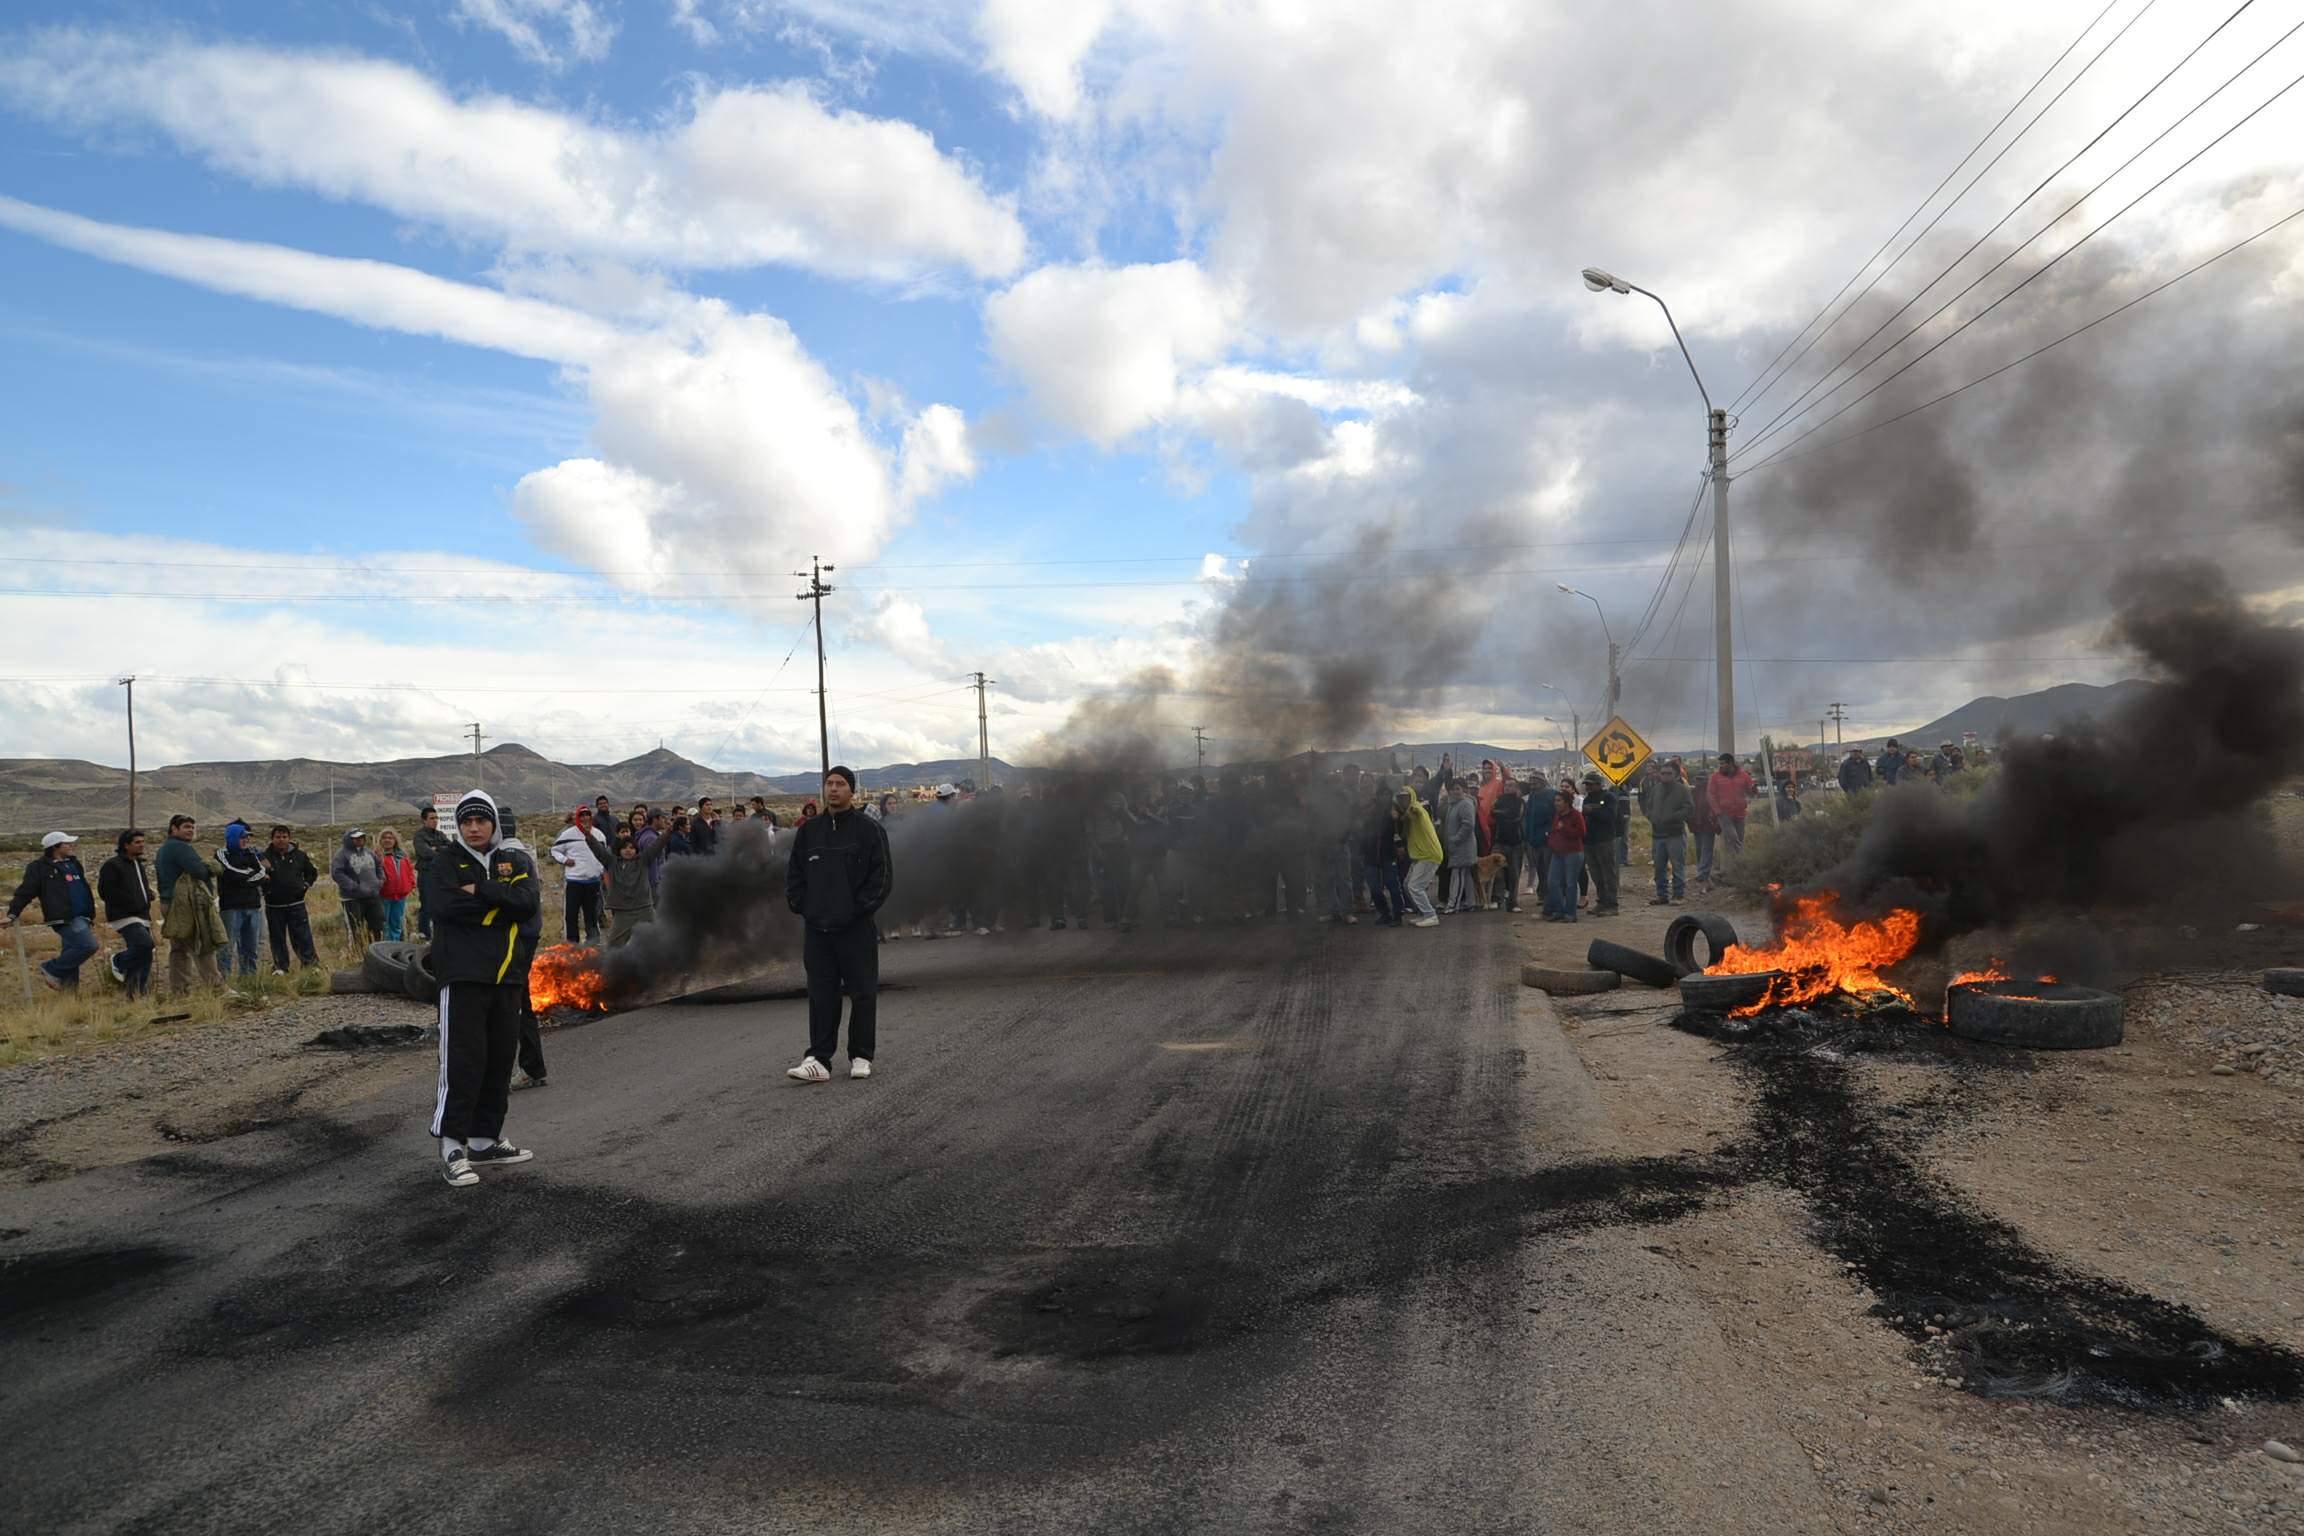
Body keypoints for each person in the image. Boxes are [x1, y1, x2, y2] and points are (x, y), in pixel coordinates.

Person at [422, 789, 540, 1188]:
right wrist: (501, 908)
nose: (473, 828)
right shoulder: (445, 862)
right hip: (463, 975)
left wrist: (484, 892)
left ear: (493, 823)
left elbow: (526, 904)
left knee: (499, 1059)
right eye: (466, 821)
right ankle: (452, 1147)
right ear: (458, 826)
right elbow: (444, 908)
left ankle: (484, 1140)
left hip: (508, 975)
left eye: (481, 820)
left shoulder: (512, 859)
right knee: (462, 1062)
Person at [784, 765, 892, 1084]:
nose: (833, 789)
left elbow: (882, 878)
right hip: (818, 930)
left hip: (855, 928)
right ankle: (818, 1059)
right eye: (829, 783)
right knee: (821, 995)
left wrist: (857, 911)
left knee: (862, 993)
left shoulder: (869, 831)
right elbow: (795, 876)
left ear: (852, 791)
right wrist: (805, 908)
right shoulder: (809, 831)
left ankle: (861, 1055)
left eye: (840, 784)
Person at [6, 832, 99, 989]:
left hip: (83, 916)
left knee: (71, 953)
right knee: (88, 946)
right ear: (55, 846)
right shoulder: (39, 868)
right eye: (67, 843)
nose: (71, 845)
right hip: (64, 917)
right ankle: (51, 968)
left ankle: (69, 996)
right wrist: (12, 914)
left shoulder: (74, 864)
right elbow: (25, 892)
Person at [154, 814, 225, 994]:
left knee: (178, 949)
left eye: (193, 827)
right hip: (183, 905)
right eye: (186, 827)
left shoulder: (165, 848)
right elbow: (199, 870)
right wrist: (209, 865)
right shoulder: (180, 848)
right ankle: (217, 988)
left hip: (169, 903)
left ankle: (179, 991)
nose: (191, 830)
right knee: (201, 942)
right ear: (173, 829)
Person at [97, 829, 155, 998]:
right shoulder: (113, 865)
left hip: (142, 914)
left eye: (142, 842)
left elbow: (139, 886)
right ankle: (118, 960)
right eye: (137, 842)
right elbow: (106, 891)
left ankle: (136, 994)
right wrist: (132, 900)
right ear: (126, 845)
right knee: (144, 944)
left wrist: (147, 894)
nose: (142, 845)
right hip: (124, 915)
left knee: (145, 956)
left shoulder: (138, 864)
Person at [258, 825, 321, 972]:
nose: (281, 840)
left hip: (296, 904)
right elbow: (259, 877)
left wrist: (305, 885)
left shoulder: (300, 855)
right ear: (272, 839)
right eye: (278, 837)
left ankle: (310, 965)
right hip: (274, 906)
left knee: (302, 936)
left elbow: (312, 873)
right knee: (277, 937)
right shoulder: (264, 857)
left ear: (289, 838)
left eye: (284, 837)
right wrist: (266, 888)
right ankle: (280, 967)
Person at [598, 824, 669, 947]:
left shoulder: (642, 860)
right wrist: (587, 835)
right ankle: (613, 965)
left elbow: (657, 845)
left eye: (631, 848)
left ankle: (661, 965)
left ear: (636, 850)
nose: (628, 850)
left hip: (644, 909)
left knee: (658, 941)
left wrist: (668, 832)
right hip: (623, 912)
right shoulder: (612, 863)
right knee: (614, 945)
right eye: (625, 847)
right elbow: (598, 850)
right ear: (619, 850)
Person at [214, 820, 266, 979]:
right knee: (227, 946)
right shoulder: (222, 854)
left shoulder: (250, 853)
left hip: (252, 905)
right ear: (233, 837)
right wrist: (250, 874)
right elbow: (230, 874)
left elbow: (262, 873)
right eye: (242, 837)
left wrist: (245, 878)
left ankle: (248, 979)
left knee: (251, 947)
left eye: (247, 837)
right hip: (231, 907)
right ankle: (225, 980)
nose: (246, 840)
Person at [551, 806, 607, 944]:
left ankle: (592, 944)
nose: (585, 818)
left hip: (593, 882)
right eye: (582, 815)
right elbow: (554, 850)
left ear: (591, 817)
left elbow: (604, 855)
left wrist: (600, 870)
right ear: (577, 817)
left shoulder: (599, 835)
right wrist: (565, 860)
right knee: (571, 916)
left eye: (587, 815)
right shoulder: (568, 834)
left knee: (591, 916)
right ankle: (572, 945)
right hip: (574, 881)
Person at [1642, 758, 1692, 906]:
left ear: (1676, 775)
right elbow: (1648, 806)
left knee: (1678, 866)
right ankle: (1662, 895)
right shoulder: (1656, 789)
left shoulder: (1682, 790)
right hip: (1657, 834)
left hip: (1675, 834)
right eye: (1663, 773)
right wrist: (1651, 817)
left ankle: (1678, 895)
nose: (1665, 776)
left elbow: (1689, 808)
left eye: (1669, 773)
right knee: (1659, 867)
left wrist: (1673, 817)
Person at [1396, 786, 1443, 928]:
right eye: (1401, 798)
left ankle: (1430, 915)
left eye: (1406, 797)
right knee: (1407, 885)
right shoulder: (1408, 812)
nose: (1404, 800)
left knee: (1415, 886)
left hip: (1429, 854)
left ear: (1411, 797)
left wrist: (1406, 813)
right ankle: (1423, 913)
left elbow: (1416, 811)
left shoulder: (1416, 809)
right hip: (1420, 855)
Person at [330, 829, 387, 944]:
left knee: (378, 926)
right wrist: (354, 886)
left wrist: (380, 880)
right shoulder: (341, 855)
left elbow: (379, 866)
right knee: (355, 929)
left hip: (373, 896)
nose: (359, 839)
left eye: (361, 837)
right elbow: (337, 873)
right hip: (352, 899)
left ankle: (375, 952)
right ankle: (357, 954)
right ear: (349, 839)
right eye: (356, 838)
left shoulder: (369, 852)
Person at [1543, 788, 1586, 923]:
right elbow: (1555, 831)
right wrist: (1551, 841)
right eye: (1555, 801)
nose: (1556, 803)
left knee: (1570, 884)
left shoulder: (1576, 815)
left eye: (1559, 801)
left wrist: (1564, 829)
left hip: (1573, 853)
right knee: (1552, 882)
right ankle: (1558, 910)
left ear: (1567, 802)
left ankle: (1570, 913)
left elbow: (1581, 832)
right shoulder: (1557, 816)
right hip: (1558, 853)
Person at [1580, 773, 1620, 916]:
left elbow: (1610, 816)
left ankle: (1612, 904)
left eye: (1591, 784)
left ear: (1599, 784)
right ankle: (1602, 902)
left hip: (1604, 840)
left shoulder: (1608, 797)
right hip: (1589, 841)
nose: (1588, 787)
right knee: (1596, 874)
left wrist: (1593, 811)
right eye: (1587, 784)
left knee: (1608, 873)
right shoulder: (1586, 800)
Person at [1706, 753, 1756, 861]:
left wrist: (1752, 791)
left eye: (1723, 763)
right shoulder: (1715, 777)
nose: (1720, 766)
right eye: (1720, 763)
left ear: (1731, 763)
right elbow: (1710, 795)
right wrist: (1718, 811)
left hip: (1740, 813)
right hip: (1724, 814)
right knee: (1733, 838)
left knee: (1739, 840)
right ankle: (1744, 861)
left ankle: (1735, 867)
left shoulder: (1743, 776)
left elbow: (1751, 791)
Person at [412, 805, 451, 940]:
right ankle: (424, 933)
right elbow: (425, 852)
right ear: (424, 820)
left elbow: (451, 849)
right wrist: (439, 850)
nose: (435, 821)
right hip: (426, 873)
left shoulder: (440, 834)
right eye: (432, 818)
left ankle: (439, 931)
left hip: (440, 874)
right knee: (427, 903)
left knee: (441, 902)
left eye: (436, 818)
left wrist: (437, 848)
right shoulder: (419, 836)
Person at [1441, 781, 1479, 913]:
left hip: (1463, 847)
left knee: (1457, 875)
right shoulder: (1453, 804)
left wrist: (1455, 839)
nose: (1454, 791)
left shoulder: (1465, 804)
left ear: (1464, 790)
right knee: (1466, 875)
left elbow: (1468, 825)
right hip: (1457, 847)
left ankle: (1453, 905)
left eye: (1458, 789)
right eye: (1452, 789)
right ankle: (1470, 902)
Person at [374, 828, 417, 941]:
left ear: (395, 840)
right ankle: (385, 948)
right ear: (380, 840)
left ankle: (395, 945)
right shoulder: (377, 856)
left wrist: (411, 884)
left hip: (400, 896)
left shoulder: (402, 855)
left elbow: (409, 871)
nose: (387, 840)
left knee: (396, 923)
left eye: (390, 838)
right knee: (384, 923)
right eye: (384, 838)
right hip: (384, 896)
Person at [1688, 762, 1719, 895]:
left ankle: (1703, 873)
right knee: (1700, 850)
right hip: (1696, 825)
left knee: (1706, 850)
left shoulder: (1711, 793)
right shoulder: (1693, 792)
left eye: (1702, 779)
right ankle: (1703, 874)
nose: (1700, 781)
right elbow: (1689, 809)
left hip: (1708, 825)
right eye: (1698, 779)